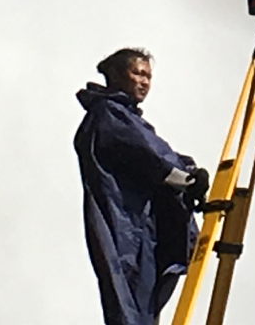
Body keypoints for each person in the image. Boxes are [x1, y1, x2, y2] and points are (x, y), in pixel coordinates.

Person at [74, 48, 208, 325]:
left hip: (141, 229)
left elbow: (159, 154)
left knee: (142, 305)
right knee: (130, 303)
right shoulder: (109, 115)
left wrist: (189, 173)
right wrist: (187, 180)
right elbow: (149, 156)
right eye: (138, 73)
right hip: (127, 229)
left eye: (148, 76)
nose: (145, 82)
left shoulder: (127, 118)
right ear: (116, 74)